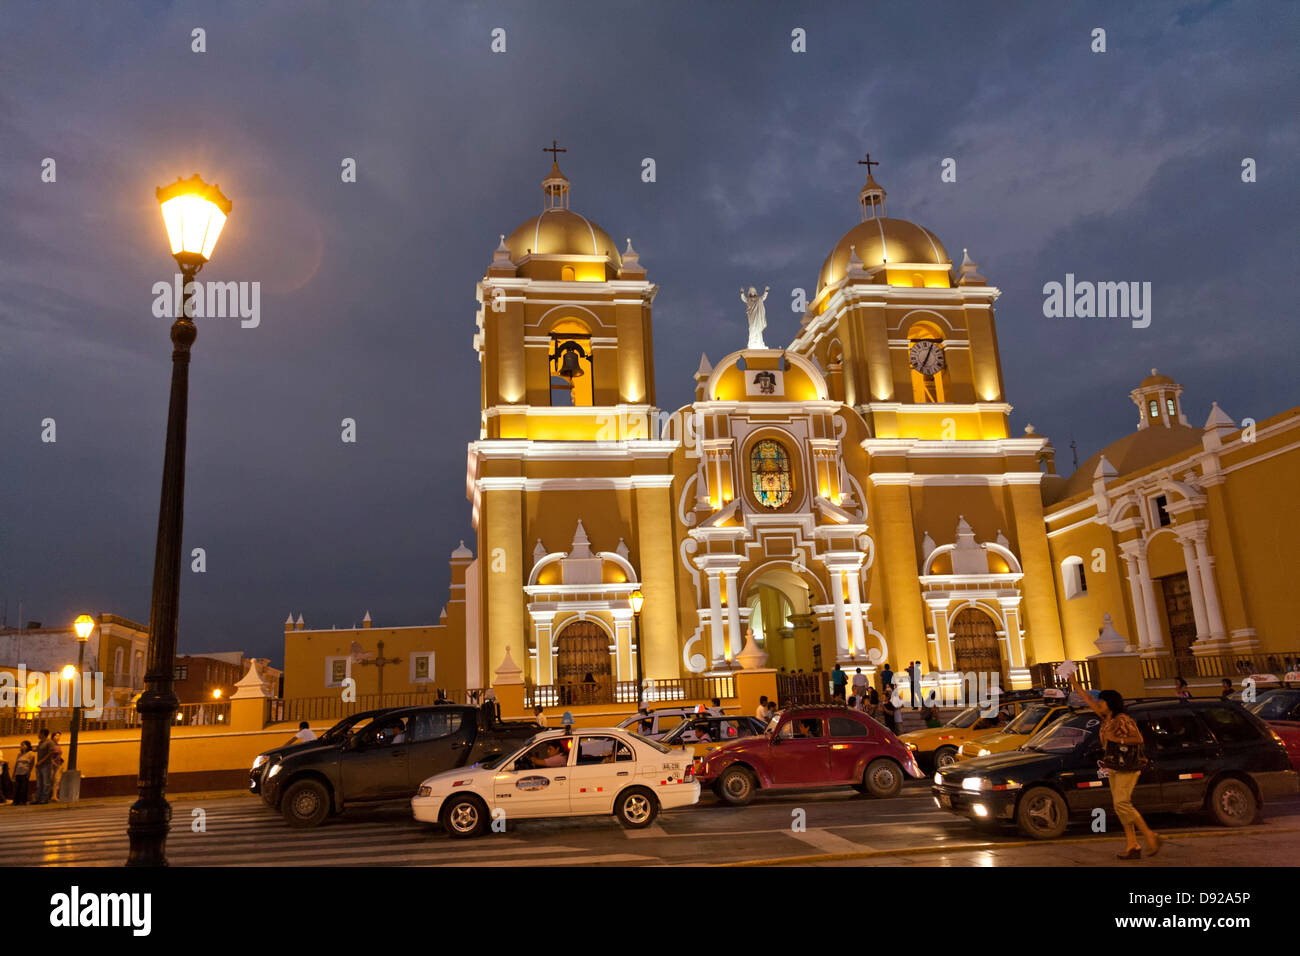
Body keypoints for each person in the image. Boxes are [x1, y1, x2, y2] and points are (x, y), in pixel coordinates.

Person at [1068, 668, 1159, 859]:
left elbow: (1138, 739)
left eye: (1102, 701)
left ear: (1110, 704)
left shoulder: (1122, 720)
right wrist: (1074, 682)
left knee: (1122, 803)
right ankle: (1132, 845)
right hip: (1115, 766)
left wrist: (1118, 740)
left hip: (1128, 766)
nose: (1098, 703)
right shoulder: (1106, 718)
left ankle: (1150, 835)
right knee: (1120, 806)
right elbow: (1088, 700)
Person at [33, 729, 54, 804]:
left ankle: (45, 799)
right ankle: (38, 798)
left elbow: (50, 753)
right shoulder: (40, 743)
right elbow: (37, 750)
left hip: (46, 765)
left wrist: (42, 761)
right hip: (39, 766)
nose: (38, 735)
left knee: (46, 782)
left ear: (43, 734)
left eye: (39, 733)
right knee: (39, 783)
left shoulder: (49, 742)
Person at [12, 741, 35, 806]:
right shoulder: (19, 754)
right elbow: (16, 764)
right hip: (18, 773)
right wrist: (14, 774)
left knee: (23, 788)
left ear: (27, 746)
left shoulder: (31, 754)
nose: (22, 746)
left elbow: (32, 764)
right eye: (21, 745)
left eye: (23, 745)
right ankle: (16, 801)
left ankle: (23, 801)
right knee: (17, 788)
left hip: (25, 772)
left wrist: (29, 772)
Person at [49, 732, 64, 801]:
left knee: (56, 780)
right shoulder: (50, 745)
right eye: (56, 736)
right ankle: (50, 795)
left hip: (58, 764)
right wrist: (52, 762)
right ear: (52, 736)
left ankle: (54, 796)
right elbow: (49, 755)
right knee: (51, 780)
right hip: (51, 765)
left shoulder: (58, 745)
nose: (58, 738)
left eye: (59, 736)